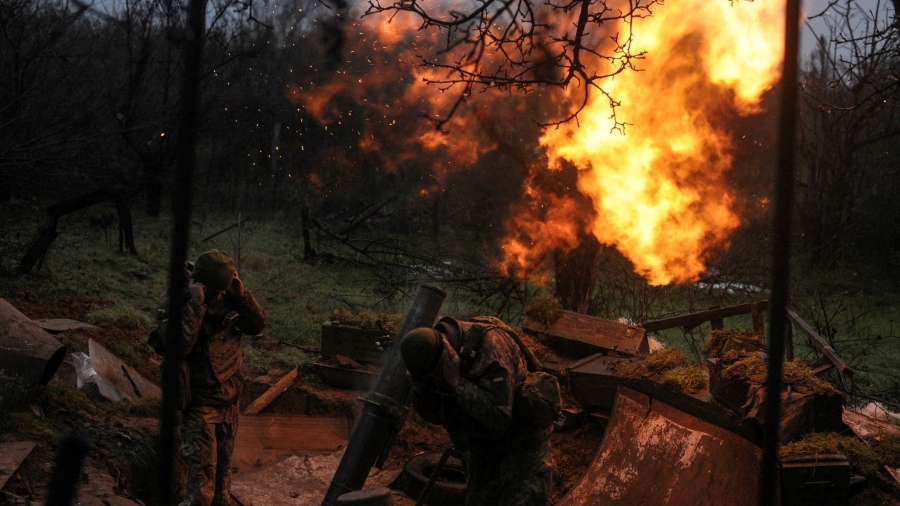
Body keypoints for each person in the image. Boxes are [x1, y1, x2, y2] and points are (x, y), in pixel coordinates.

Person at [399, 316, 555, 506]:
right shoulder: (426, 354)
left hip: (521, 452)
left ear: (445, 352)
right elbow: (437, 414)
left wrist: (456, 382)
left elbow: (499, 418)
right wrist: (420, 390)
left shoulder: (492, 348)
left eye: (437, 373)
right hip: (482, 452)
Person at [156, 249, 267, 506]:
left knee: (222, 478)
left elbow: (258, 326)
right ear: (202, 284)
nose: (219, 297)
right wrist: (197, 304)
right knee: (201, 484)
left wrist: (243, 297)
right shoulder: (177, 299)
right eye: (215, 292)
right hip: (199, 401)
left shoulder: (230, 291)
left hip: (229, 395)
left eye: (222, 291)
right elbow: (180, 346)